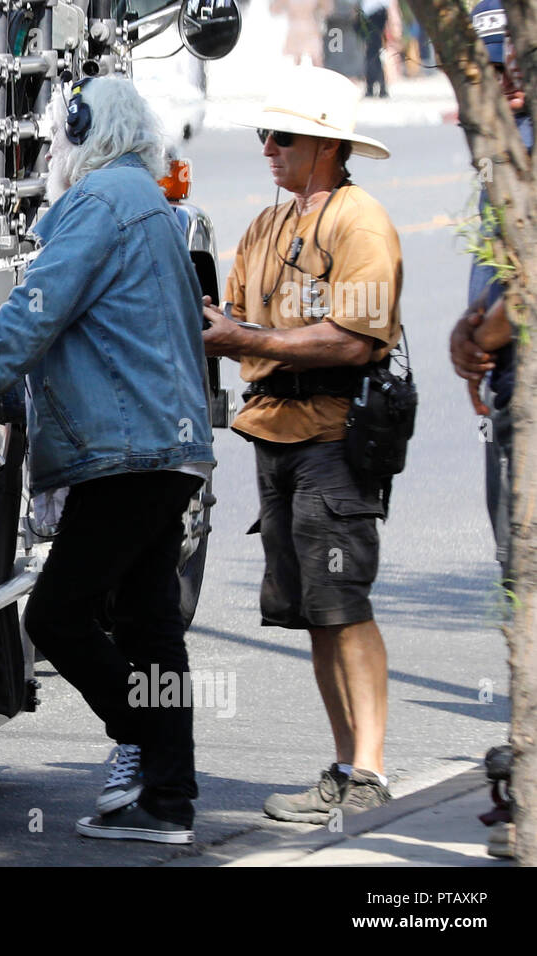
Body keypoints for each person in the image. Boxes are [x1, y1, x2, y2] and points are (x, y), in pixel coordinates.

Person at [0, 76, 214, 843]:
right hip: (166, 447)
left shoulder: (98, 205)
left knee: (56, 616)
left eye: (56, 138)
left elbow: (35, 309)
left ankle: (152, 758)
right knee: (151, 625)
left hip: (127, 451)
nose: (49, 153)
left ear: (85, 134)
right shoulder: (150, 201)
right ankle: (168, 801)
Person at [202, 66, 401, 824]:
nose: (267, 148)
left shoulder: (361, 223)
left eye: (280, 135)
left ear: (324, 142)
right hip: (273, 437)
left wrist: (245, 336)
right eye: (263, 134)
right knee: (312, 611)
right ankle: (346, 764)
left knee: (343, 603)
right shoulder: (268, 225)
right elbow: (236, 317)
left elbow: (354, 342)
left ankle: (371, 773)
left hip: (334, 439)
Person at [446, 0, 530, 862]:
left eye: (504, 55)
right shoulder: (501, 141)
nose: (495, 72)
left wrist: (484, 333)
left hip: (523, 393)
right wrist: (469, 333)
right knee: (514, 575)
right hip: (507, 394)